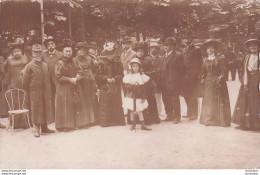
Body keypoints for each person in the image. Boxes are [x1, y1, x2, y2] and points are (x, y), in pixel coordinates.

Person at [55, 40, 95, 131]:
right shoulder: (59, 63)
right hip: (64, 87)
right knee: (66, 106)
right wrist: (70, 80)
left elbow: (80, 71)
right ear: (63, 52)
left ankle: (74, 124)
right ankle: (64, 125)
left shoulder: (74, 61)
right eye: (66, 51)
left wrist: (78, 77)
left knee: (75, 104)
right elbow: (58, 77)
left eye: (70, 51)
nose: (68, 53)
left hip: (75, 85)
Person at [22, 43, 55, 137]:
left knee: (45, 108)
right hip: (35, 92)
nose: (38, 54)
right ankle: (36, 129)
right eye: (36, 52)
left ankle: (45, 128)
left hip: (45, 91)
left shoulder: (45, 65)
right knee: (36, 109)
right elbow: (25, 82)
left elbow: (49, 79)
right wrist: (30, 91)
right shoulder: (29, 66)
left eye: (40, 52)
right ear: (32, 53)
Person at [200, 39, 231, 127]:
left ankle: (219, 120)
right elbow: (203, 72)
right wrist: (202, 80)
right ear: (206, 50)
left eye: (212, 48)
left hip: (218, 81)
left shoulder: (220, 58)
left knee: (217, 99)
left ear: (215, 49)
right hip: (208, 82)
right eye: (208, 48)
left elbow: (224, 70)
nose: (210, 50)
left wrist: (220, 78)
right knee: (209, 100)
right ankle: (208, 119)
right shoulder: (205, 59)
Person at [232, 36, 260, 131]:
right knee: (244, 100)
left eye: (254, 45)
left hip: (257, 80)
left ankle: (256, 125)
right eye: (250, 46)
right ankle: (243, 123)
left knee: (256, 100)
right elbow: (242, 69)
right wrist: (243, 79)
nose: (252, 47)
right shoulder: (247, 57)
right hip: (247, 81)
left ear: (258, 46)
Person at [2, 38, 29, 128]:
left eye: (18, 51)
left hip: (23, 82)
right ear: (12, 53)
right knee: (14, 103)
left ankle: (25, 123)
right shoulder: (9, 61)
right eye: (15, 52)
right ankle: (15, 123)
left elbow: (29, 71)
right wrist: (7, 83)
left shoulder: (26, 59)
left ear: (21, 51)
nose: (16, 53)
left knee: (24, 102)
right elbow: (7, 73)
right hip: (13, 83)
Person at [158, 37, 184, 124]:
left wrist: (178, 82)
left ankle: (177, 116)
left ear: (172, 46)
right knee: (165, 99)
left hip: (173, 82)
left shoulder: (178, 55)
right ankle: (169, 115)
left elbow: (182, 70)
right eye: (165, 45)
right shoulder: (163, 57)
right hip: (163, 82)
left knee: (174, 99)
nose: (165, 47)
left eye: (167, 45)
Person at [95, 52, 125, 127]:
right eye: (108, 54)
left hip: (115, 85)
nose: (110, 56)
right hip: (105, 85)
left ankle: (117, 121)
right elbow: (98, 75)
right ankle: (105, 122)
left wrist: (115, 79)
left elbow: (121, 74)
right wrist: (106, 79)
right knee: (104, 103)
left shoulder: (118, 63)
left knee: (116, 102)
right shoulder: (101, 63)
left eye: (112, 54)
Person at [134, 41, 160, 124]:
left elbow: (153, 71)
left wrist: (144, 73)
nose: (140, 53)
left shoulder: (148, 59)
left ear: (144, 52)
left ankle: (151, 118)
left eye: (141, 51)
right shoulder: (134, 60)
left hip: (147, 83)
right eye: (138, 51)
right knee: (138, 100)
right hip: (137, 83)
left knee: (149, 100)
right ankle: (138, 119)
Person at [122, 58, 151, 131]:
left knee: (139, 109)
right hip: (131, 95)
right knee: (132, 110)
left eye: (137, 66)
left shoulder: (142, 76)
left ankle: (142, 123)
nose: (135, 68)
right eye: (134, 66)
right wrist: (132, 86)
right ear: (131, 67)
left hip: (139, 95)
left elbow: (144, 87)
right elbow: (126, 86)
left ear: (139, 67)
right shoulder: (129, 76)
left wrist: (143, 95)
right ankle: (133, 123)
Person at [73, 42, 96, 123]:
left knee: (90, 100)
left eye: (83, 50)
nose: (82, 51)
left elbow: (94, 70)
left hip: (89, 83)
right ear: (76, 51)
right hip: (80, 84)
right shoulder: (74, 61)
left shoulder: (89, 60)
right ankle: (83, 121)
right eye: (80, 50)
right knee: (82, 101)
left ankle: (92, 120)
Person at [181, 37, 202, 120]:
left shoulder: (196, 49)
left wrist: (195, 75)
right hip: (185, 75)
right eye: (185, 38)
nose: (186, 40)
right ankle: (189, 112)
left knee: (193, 95)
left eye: (188, 38)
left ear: (191, 40)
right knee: (186, 94)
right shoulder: (184, 49)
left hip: (193, 75)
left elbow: (198, 63)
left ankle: (194, 114)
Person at [42, 36, 62, 119]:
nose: (50, 45)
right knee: (49, 97)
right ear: (46, 46)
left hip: (57, 79)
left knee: (58, 97)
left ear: (55, 45)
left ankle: (59, 116)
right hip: (47, 79)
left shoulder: (60, 54)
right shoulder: (43, 55)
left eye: (52, 44)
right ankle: (51, 116)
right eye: (48, 44)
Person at [150, 41, 167, 119]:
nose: (153, 50)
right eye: (152, 48)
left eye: (155, 48)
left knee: (158, 97)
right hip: (149, 81)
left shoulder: (161, 58)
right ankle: (150, 113)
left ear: (157, 49)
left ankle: (159, 113)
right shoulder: (147, 58)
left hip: (158, 81)